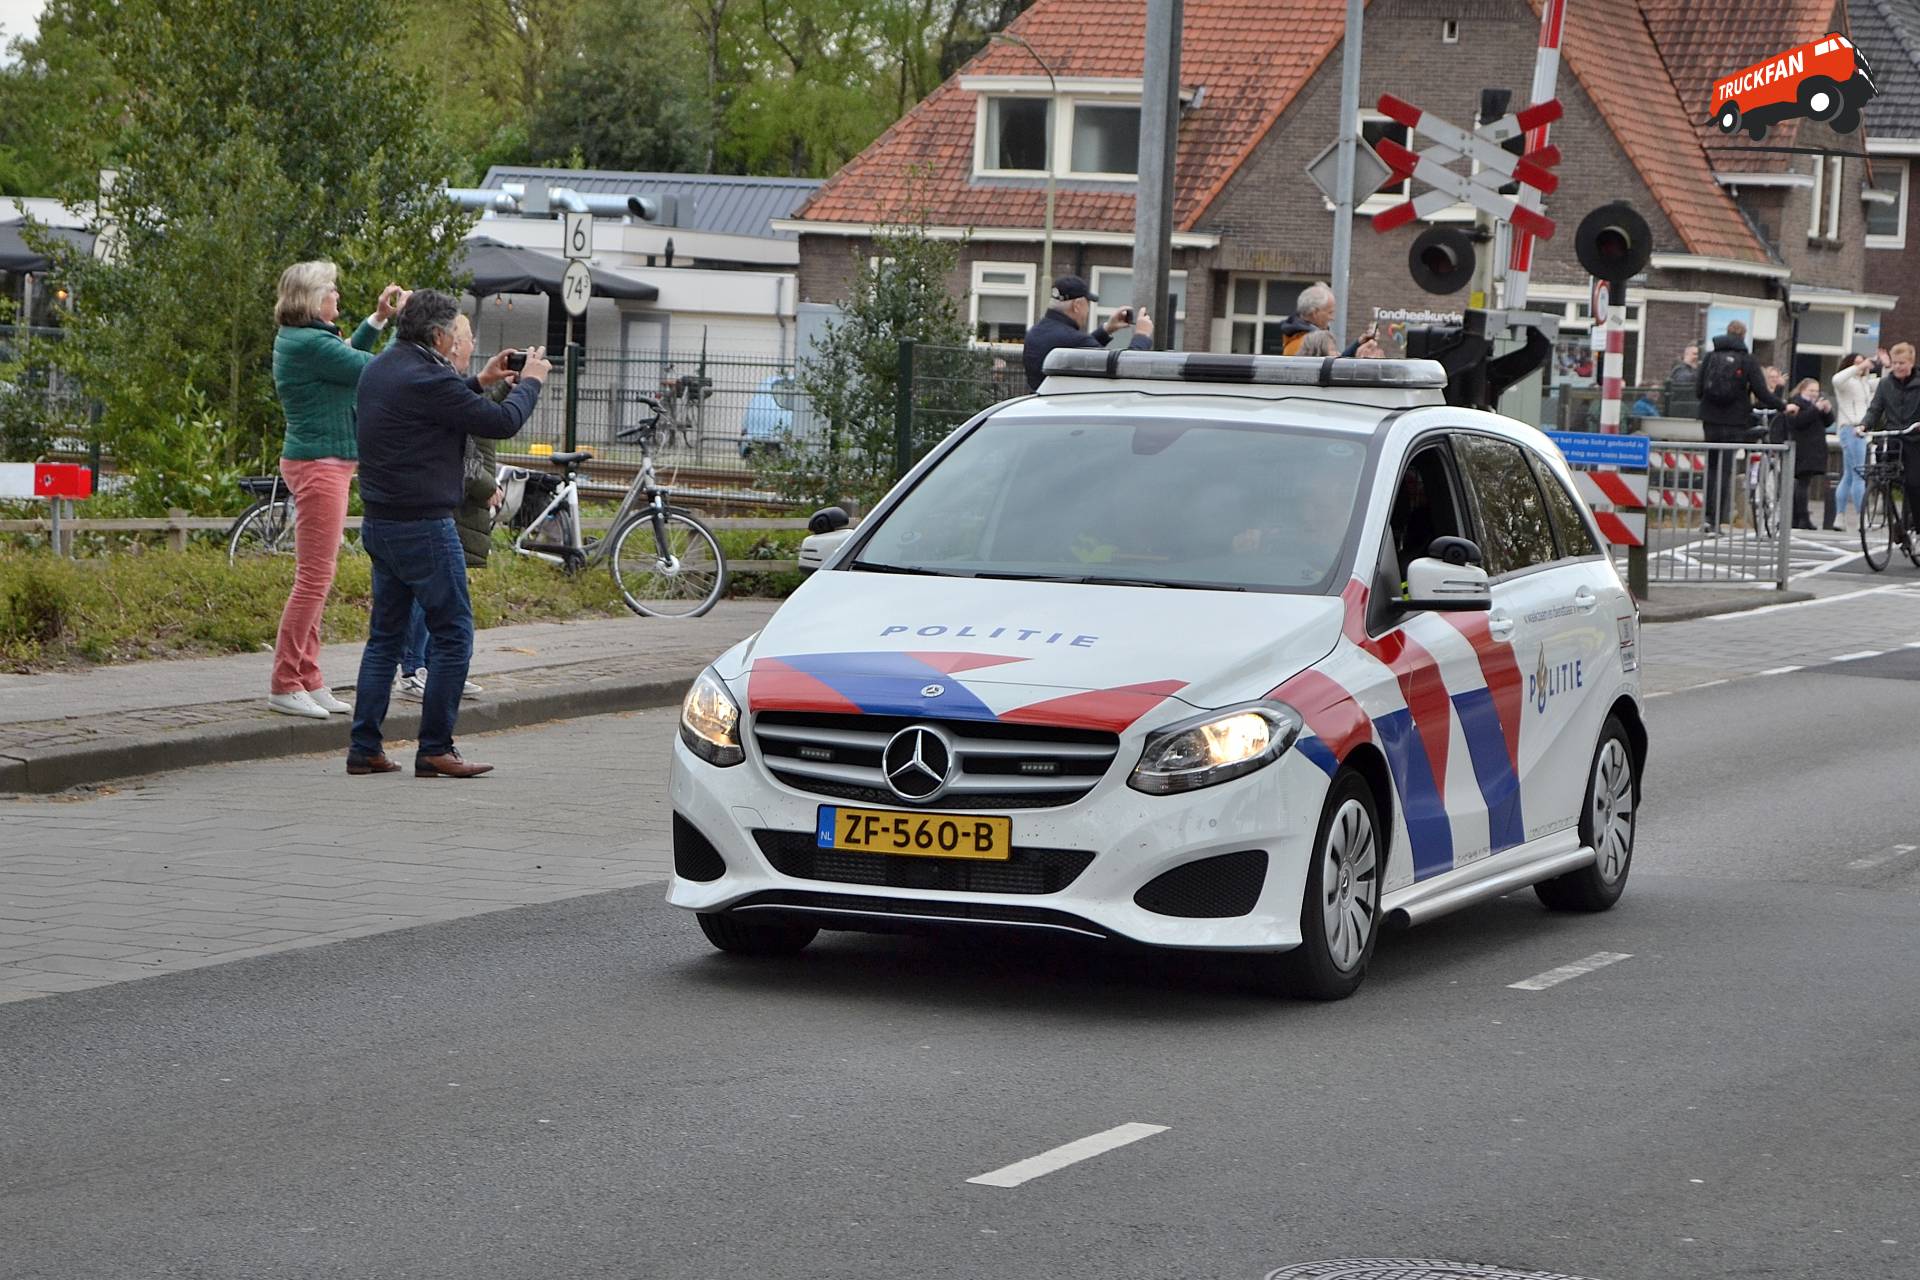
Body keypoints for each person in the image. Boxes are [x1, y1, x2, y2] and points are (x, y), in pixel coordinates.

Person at [345, 291, 547, 779]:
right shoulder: (429, 376)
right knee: (454, 635)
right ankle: (436, 746)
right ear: (438, 336)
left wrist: (481, 379)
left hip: (381, 523)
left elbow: (435, 405)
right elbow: (502, 421)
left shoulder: (382, 368)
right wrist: (532, 383)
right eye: (456, 332)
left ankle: (364, 748)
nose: (458, 340)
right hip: (425, 527)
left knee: (384, 640)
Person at [266, 261, 407, 720]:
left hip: (324, 462)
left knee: (317, 577)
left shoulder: (308, 341)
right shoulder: (308, 343)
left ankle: (309, 676)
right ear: (311, 299)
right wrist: (411, 340)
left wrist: (379, 320)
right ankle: (286, 682)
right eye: (331, 291)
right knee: (313, 579)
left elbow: (346, 357)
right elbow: (368, 369)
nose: (337, 298)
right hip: (319, 464)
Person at [396, 429, 503, 701]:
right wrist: (487, 485)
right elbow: (457, 450)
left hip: (464, 504)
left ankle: (438, 670)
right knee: (429, 591)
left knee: (446, 594)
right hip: (452, 500)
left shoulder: (478, 390)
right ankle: (412, 670)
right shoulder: (453, 389)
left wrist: (508, 389)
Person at [1697, 319, 1784, 535]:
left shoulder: (1709, 357)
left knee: (1712, 467)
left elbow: (1698, 390)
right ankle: (1717, 521)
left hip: (1710, 419)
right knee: (1726, 470)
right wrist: (1783, 405)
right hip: (1734, 420)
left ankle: (1707, 519)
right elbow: (1762, 392)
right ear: (1744, 336)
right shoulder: (1747, 360)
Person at [1022, 275, 1154, 391]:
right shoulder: (1075, 340)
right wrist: (1141, 335)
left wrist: (1107, 329)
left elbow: (1078, 352)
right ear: (1077, 305)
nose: (1088, 310)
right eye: (1088, 303)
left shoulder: (1034, 333)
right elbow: (1125, 369)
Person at [1861, 341, 1920, 531]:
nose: (1897, 367)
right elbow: (1875, 408)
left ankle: (1916, 525)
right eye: (1894, 363)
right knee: (1881, 474)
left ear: (1911, 363)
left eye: (1902, 363)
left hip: (1915, 439)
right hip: (1893, 438)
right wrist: (1864, 425)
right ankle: (1890, 510)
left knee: (1914, 483)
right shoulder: (1885, 384)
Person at [1828, 350, 1884, 531]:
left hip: (1860, 431)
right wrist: (1859, 366)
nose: (1863, 367)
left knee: (1850, 475)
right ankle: (1862, 517)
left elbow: (1885, 384)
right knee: (1859, 474)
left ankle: (1840, 517)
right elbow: (1836, 379)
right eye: (1857, 363)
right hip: (1851, 429)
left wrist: (1887, 366)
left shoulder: (1864, 384)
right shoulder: (1845, 383)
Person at [1780, 378, 1835, 531]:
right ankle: (1802, 517)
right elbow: (1798, 422)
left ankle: (1797, 518)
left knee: (1805, 483)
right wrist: (1815, 409)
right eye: (1811, 390)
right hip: (1802, 448)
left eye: (1816, 391)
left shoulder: (1813, 405)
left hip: (1814, 448)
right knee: (1802, 483)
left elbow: (1828, 422)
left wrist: (1827, 411)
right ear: (1802, 390)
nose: (1814, 394)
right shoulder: (1796, 403)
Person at [1277, 282, 1373, 357]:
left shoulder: (1299, 337)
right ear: (1314, 313)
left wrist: (1358, 344)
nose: (1333, 318)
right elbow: (1332, 370)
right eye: (1330, 312)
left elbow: (1332, 365)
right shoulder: (1305, 343)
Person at [1664, 343, 1700, 414]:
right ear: (1686, 354)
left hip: (1691, 410)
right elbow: (1684, 380)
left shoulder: (1693, 370)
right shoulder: (1679, 368)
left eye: (1699, 354)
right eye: (1694, 354)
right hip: (1681, 411)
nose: (1697, 357)